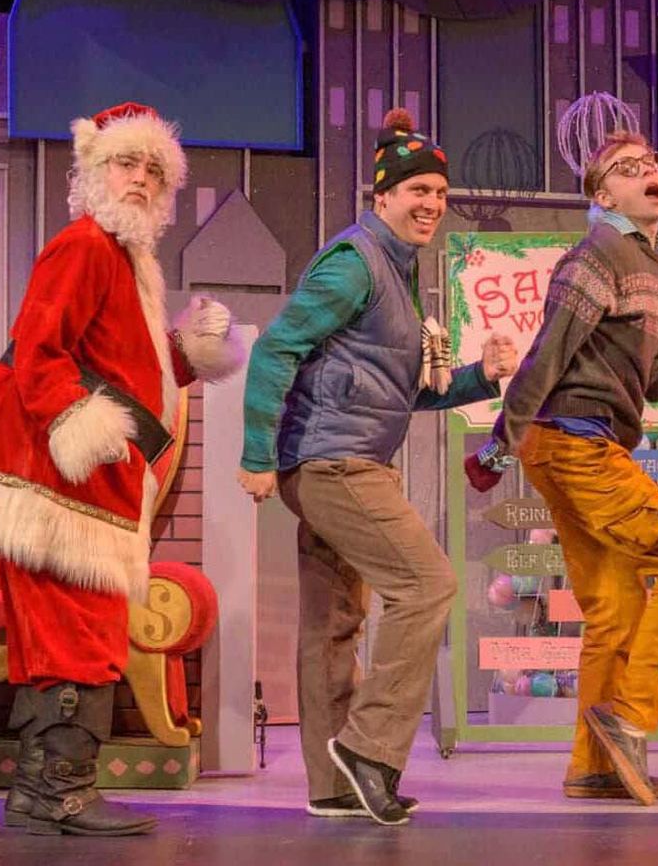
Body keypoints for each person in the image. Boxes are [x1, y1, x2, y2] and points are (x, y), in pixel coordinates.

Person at [0, 102, 244, 837]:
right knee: (72, 632)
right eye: (125, 163)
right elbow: (38, 349)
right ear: (93, 171)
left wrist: (185, 353)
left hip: (82, 485)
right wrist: (77, 423)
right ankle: (60, 792)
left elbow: (120, 367)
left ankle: (46, 791)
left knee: (78, 630)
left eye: (154, 170)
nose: (140, 179)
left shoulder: (126, 259)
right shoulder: (83, 245)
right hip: (54, 480)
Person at [238, 108, 518, 826]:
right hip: (335, 464)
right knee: (428, 585)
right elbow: (275, 349)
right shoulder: (354, 263)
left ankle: (334, 784)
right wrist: (257, 456)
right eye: (417, 190)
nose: (431, 204)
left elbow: (400, 390)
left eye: (439, 193)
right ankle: (368, 749)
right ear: (382, 195)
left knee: (332, 623)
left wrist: (479, 378)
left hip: (345, 458)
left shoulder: (396, 271)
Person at [476, 129, 658, 806]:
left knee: (612, 611)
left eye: (653, 163)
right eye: (628, 167)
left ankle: (592, 766)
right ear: (603, 195)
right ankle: (630, 720)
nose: (648, 172)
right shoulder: (595, 254)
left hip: (588, 443)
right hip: (572, 442)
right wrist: (498, 445)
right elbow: (547, 354)